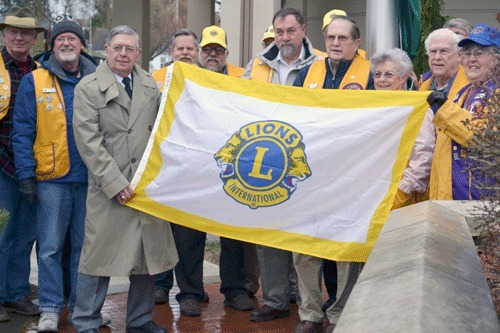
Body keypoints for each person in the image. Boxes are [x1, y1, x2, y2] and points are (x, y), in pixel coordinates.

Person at [71, 25, 178, 333]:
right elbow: (88, 143)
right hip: (109, 189)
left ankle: (140, 320)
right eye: (117, 47)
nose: (123, 53)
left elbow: (162, 130)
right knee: (97, 259)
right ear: (107, 50)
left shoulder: (149, 84)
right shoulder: (88, 88)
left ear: (138, 53)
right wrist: (116, 184)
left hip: (144, 189)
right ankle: (86, 321)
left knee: (147, 258)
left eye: (129, 49)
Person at [11, 16, 97, 332]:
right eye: (60, 39)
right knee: (49, 247)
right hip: (51, 180)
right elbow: (21, 131)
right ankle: (49, 308)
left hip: (90, 180)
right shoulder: (36, 80)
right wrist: (25, 175)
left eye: (71, 38)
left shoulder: (97, 77)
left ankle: (79, 308)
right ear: (51, 46)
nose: (65, 43)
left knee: (84, 249)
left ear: (81, 44)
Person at [292, 14, 374, 333]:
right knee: (304, 248)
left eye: (343, 38)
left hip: (351, 176)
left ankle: (341, 315)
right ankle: (310, 314)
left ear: (356, 43)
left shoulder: (370, 75)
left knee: (345, 252)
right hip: (311, 175)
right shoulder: (306, 73)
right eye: (330, 38)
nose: (336, 43)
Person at [241, 7, 317, 323]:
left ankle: (305, 298)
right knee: (268, 231)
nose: (284, 37)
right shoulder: (256, 65)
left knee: (304, 233)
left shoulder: (321, 64)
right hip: (268, 156)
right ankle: (274, 300)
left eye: (290, 31)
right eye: (279, 32)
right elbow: (239, 102)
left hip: (307, 159)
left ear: (302, 31)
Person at [198, 24, 255, 313]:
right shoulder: (186, 78)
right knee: (190, 232)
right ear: (199, 52)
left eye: (218, 50)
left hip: (231, 165)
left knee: (232, 234)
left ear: (226, 53)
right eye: (207, 49)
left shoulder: (241, 78)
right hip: (195, 166)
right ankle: (190, 292)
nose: (212, 54)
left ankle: (234, 289)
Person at [151, 28, 204, 309]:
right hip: (162, 168)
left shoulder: (209, 83)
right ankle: (160, 286)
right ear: (171, 52)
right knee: (160, 232)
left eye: (190, 48)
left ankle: (191, 293)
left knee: (189, 237)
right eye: (180, 48)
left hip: (194, 171)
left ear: (197, 52)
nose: (185, 52)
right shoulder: (155, 81)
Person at [0, 6, 45, 322]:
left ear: (34, 38)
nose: (19, 37)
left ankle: (15, 294)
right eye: (13, 31)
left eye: (25, 32)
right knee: (1, 233)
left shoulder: (41, 72)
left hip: (31, 167)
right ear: (3, 35)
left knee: (24, 235)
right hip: (0, 166)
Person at [427, 24, 499, 200]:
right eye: (466, 54)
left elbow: (485, 138)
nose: (471, 59)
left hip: (483, 206)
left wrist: (446, 110)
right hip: (453, 203)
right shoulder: (463, 92)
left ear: (497, 58)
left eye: (479, 54)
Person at [370, 48, 435, 209]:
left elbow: (422, 160)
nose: (382, 80)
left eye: (389, 74)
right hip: (371, 199)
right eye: (377, 74)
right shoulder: (369, 108)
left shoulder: (418, 108)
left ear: (403, 77)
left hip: (403, 202)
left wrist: (399, 195)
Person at [419, 28, 469, 99]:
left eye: (444, 51)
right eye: (433, 51)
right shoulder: (423, 87)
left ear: (459, 55)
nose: (437, 57)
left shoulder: (469, 87)